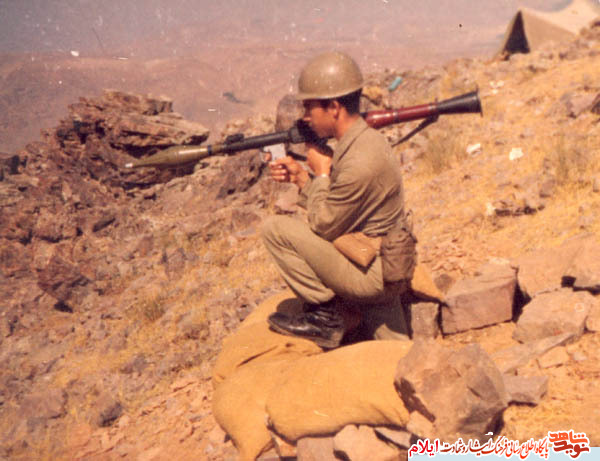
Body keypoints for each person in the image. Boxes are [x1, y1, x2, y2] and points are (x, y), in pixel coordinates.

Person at [262, 51, 416, 349]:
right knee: (395, 354)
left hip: (373, 272)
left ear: (334, 107)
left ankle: (326, 319)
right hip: (381, 261)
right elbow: (341, 205)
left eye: (309, 107)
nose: (305, 117)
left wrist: (321, 174)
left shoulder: (359, 161)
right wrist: (302, 178)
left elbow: (324, 225)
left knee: (275, 230)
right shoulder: (363, 142)